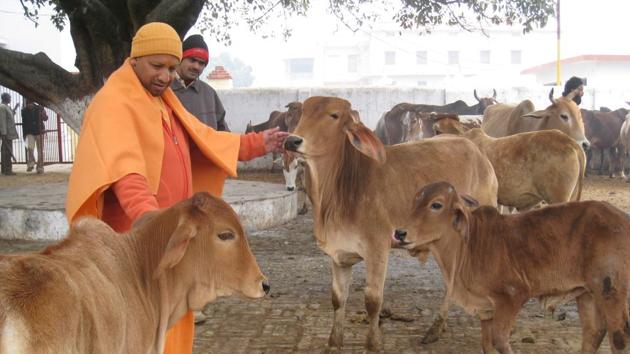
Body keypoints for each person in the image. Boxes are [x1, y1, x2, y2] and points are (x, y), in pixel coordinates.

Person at [65, 22, 287, 354]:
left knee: (172, 326)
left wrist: (257, 143)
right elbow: (128, 174)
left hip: (168, 242)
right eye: (157, 66)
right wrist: (155, 227)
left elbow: (202, 138)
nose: (167, 76)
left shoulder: (163, 99)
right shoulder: (114, 102)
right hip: (139, 246)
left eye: (171, 67)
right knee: (140, 333)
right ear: (135, 58)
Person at [171, 34, 229, 130]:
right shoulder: (164, 89)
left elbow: (223, 132)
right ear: (180, 59)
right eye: (192, 60)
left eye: (201, 63)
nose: (196, 67)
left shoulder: (209, 94)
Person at [21, 98, 48, 173]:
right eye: (27, 104)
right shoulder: (23, 111)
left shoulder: (40, 108)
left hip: (39, 132)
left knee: (40, 150)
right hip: (29, 133)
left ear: (33, 103)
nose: (29, 105)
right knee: (30, 150)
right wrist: (24, 135)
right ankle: (31, 163)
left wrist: (43, 112)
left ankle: (40, 167)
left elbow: (45, 118)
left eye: (30, 103)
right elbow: (24, 124)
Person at [0, 93, 18, 175]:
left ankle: (6, 169)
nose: (10, 99)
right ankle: (7, 170)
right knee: (6, 151)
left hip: (9, 133)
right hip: (6, 134)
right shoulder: (2, 107)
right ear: (5, 98)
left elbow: (10, 115)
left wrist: (15, 108)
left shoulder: (6, 107)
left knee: (7, 150)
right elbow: (2, 121)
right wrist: (3, 133)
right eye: (9, 97)